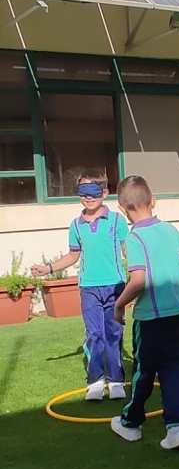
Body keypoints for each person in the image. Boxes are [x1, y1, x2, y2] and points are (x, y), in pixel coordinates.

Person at [110, 175, 179, 450]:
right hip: (177, 313)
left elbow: (138, 281)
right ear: (153, 201)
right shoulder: (169, 229)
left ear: (122, 209)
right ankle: (176, 426)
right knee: (176, 368)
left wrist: (119, 305)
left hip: (150, 319)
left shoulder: (134, 238)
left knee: (144, 371)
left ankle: (131, 423)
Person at [32, 170, 128, 401]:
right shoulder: (76, 225)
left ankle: (116, 380)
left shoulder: (117, 221)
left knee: (113, 333)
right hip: (89, 288)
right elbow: (73, 255)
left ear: (104, 193)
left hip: (115, 286)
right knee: (94, 334)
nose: (88, 197)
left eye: (93, 191)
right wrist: (49, 268)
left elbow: (128, 251)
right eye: (83, 192)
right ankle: (95, 381)